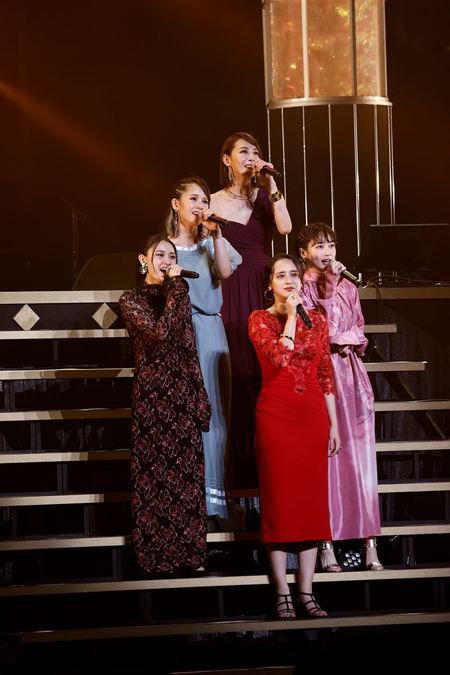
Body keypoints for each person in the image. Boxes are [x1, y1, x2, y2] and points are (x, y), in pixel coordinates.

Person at [248, 253, 340, 618]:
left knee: (311, 506)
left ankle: (306, 591)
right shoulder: (259, 319)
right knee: (280, 503)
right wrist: (289, 316)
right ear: (269, 284)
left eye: (293, 275)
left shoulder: (318, 320)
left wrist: (334, 425)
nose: (288, 280)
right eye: (280, 276)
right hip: (276, 415)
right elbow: (279, 358)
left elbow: (325, 373)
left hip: (312, 416)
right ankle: (282, 591)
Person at [119, 234, 211, 576]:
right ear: (143, 260)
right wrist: (175, 290)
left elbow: (188, 347)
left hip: (182, 394)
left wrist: (200, 395)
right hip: (153, 397)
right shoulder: (131, 300)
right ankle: (156, 557)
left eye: (172, 256)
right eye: (159, 255)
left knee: (187, 478)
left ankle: (191, 554)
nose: (167, 262)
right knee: (155, 478)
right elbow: (159, 335)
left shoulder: (178, 294)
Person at [297, 223, 383, 572]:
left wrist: (347, 338)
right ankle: (325, 542)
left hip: (352, 376)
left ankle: (369, 541)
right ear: (304, 253)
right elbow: (315, 334)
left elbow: (359, 331)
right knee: (328, 460)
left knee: (361, 462)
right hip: (321, 376)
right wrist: (340, 336)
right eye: (319, 246)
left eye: (331, 245)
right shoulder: (300, 287)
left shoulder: (349, 287)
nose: (327, 252)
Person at [210, 131, 292, 488]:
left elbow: (285, 228)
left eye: (255, 152)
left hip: (262, 285)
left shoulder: (265, 195)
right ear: (226, 159)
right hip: (230, 286)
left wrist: (271, 182)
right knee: (236, 370)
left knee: (264, 367)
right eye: (243, 151)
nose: (251, 157)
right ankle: (236, 469)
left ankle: (268, 466)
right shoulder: (213, 200)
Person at [165, 176, 242, 524]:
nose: (199, 206)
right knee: (183, 415)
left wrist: (216, 234)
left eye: (204, 200)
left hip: (209, 331)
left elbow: (224, 272)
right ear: (176, 204)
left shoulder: (211, 242)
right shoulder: (164, 248)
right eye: (193, 199)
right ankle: (187, 498)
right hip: (178, 334)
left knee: (215, 415)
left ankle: (216, 503)